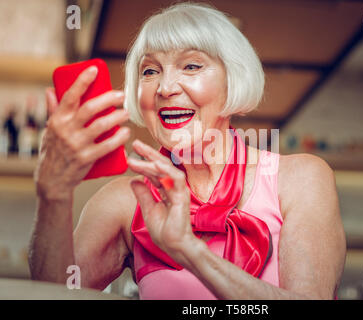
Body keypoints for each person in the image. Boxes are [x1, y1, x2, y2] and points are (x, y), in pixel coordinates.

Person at [29, 2, 346, 299]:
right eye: (150, 71)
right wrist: (52, 194)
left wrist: (191, 252)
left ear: (233, 81)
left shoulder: (300, 178)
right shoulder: (125, 199)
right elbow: (52, 294)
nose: (165, 88)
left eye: (191, 66)